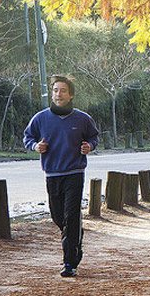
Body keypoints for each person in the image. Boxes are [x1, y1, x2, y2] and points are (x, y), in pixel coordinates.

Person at [23, 75, 99, 277]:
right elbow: (28, 137)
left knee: (71, 216)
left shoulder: (82, 118)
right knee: (59, 217)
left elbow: (94, 136)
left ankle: (69, 263)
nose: (59, 94)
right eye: (56, 90)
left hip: (74, 172)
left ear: (71, 95)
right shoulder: (41, 118)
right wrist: (35, 146)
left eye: (63, 90)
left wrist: (88, 146)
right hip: (52, 173)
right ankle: (75, 239)